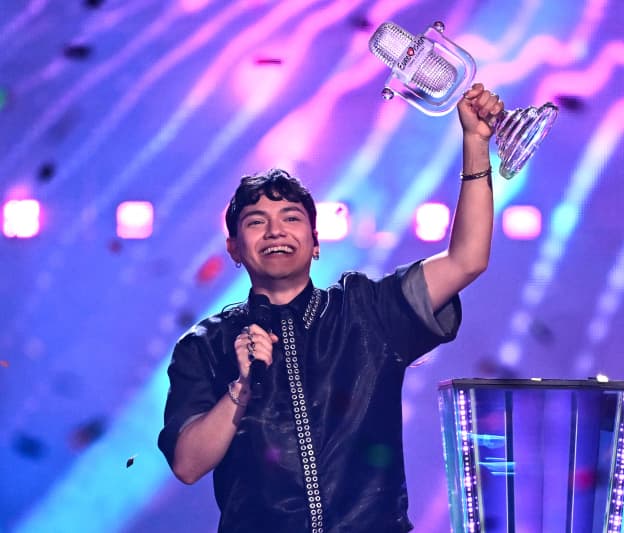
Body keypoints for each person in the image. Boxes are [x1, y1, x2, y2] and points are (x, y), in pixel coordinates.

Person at [157, 83, 504, 532]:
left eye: (291, 220)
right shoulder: (206, 345)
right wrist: (242, 386)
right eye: (256, 223)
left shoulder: (365, 311)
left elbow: (466, 259)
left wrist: (475, 145)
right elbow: (187, 464)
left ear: (316, 243)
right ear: (234, 249)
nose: (275, 232)